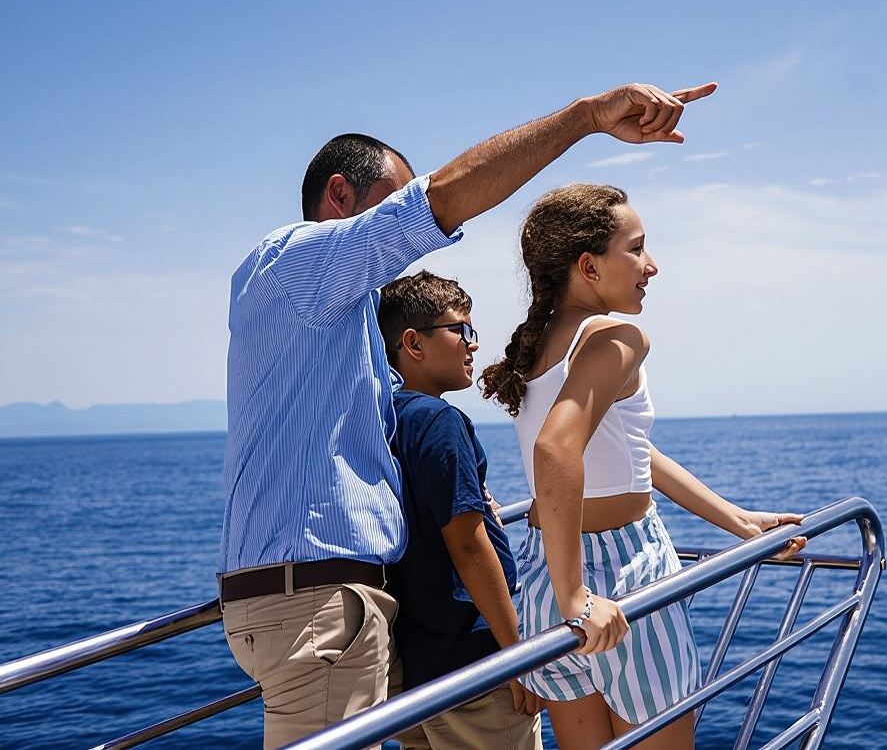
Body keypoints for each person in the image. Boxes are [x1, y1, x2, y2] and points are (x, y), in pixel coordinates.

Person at [217, 81, 716, 750]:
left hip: (311, 603)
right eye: (385, 206)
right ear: (340, 195)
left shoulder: (325, 315)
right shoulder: (302, 260)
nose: (406, 250)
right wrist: (586, 118)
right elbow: (443, 198)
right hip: (319, 603)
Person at [480, 183, 806, 750]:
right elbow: (556, 449)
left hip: (542, 572)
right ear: (589, 265)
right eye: (636, 249)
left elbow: (628, 453)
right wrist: (576, 595)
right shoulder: (618, 336)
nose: (651, 266)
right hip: (620, 580)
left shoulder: (543, 344)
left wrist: (740, 522)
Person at [376, 270, 542, 749]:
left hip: (419, 666)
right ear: (413, 343)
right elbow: (468, 544)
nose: (473, 344)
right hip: (473, 663)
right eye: (461, 329)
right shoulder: (438, 420)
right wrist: (520, 655)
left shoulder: (384, 417)